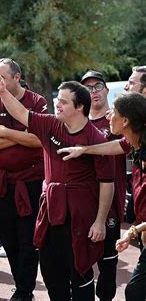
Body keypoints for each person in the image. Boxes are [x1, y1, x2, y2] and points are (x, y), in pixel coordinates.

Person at [0, 73, 115, 300]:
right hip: (50, 212)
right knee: (50, 272)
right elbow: (21, 113)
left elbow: (107, 183)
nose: (57, 104)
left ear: (80, 107)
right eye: (58, 99)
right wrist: (2, 92)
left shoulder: (96, 138)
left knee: (80, 273)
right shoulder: (50, 125)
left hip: (80, 216)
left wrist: (99, 222)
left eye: (64, 101)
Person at [58, 92, 146, 301]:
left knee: (134, 292)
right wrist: (84, 150)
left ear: (125, 120)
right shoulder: (134, 142)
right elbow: (114, 147)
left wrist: (133, 231)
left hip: (141, 228)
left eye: (113, 113)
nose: (108, 116)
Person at [0, 58, 46, 301]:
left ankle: (25, 291)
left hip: (31, 182)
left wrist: (4, 132)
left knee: (28, 239)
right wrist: (21, 136)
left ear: (17, 77)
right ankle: (21, 285)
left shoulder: (36, 101)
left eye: (2, 78)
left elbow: (39, 139)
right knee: (8, 238)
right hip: (2, 183)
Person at [81, 70, 127, 301]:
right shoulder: (76, 123)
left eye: (98, 86)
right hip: (81, 202)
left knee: (108, 261)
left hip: (110, 202)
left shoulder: (117, 122)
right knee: (80, 259)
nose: (94, 92)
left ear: (107, 90)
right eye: (88, 88)